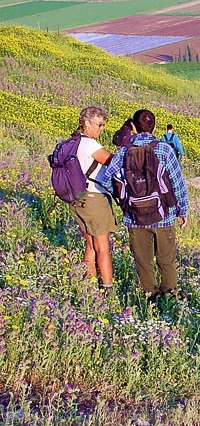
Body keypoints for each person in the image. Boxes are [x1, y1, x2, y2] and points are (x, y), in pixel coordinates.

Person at [102, 109, 188, 303]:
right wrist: (182, 210)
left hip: (134, 216)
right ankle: (170, 296)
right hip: (163, 214)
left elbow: (108, 182)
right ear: (154, 127)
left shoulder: (123, 152)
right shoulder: (164, 150)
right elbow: (177, 182)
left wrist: (125, 200)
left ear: (133, 126)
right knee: (166, 259)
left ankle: (151, 296)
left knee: (143, 260)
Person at [68, 106, 116, 289]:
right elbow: (114, 162)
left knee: (90, 245)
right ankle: (107, 289)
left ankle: (89, 289)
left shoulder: (73, 142)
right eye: (100, 124)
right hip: (94, 198)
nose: (101, 129)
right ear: (87, 123)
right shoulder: (91, 146)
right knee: (102, 247)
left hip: (77, 198)